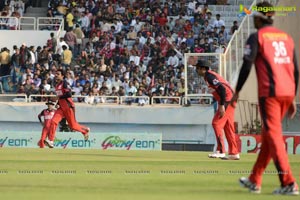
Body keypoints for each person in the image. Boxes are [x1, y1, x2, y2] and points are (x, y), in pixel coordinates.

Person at [232, 1, 299, 195]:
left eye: (254, 17)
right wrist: (293, 95)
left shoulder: (257, 37)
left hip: (270, 93)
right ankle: (255, 179)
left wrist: (237, 91)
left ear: (260, 18)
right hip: (287, 91)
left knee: (274, 136)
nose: (252, 20)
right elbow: (296, 70)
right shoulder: (286, 37)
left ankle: (288, 182)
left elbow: (246, 64)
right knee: (270, 136)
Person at [196, 60, 239, 160]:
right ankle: (234, 153)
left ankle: (220, 151)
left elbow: (222, 89)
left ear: (203, 69)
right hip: (231, 99)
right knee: (228, 127)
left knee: (216, 123)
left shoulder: (209, 76)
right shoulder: (208, 76)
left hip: (228, 99)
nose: (196, 70)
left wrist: (221, 105)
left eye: (197, 68)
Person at [44, 69, 90, 148]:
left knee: (73, 126)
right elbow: (60, 97)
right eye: (55, 74)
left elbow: (69, 94)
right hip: (61, 108)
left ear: (62, 76)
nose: (56, 75)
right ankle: (51, 141)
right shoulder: (57, 85)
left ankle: (84, 130)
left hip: (68, 107)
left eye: (58, 74)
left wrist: (59, 97)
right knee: (53, 121)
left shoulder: (65, 83)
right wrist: (57, 103)